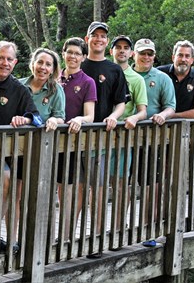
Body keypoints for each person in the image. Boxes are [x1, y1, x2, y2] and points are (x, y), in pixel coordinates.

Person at [0, 41, 40, 255]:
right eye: (1, 58)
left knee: (8, 185)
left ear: (15, 62)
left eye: (10, 59)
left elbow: (36, 117)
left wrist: (24, 119)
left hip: (4, 152)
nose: (5, 63)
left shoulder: (18, 89)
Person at [81, 22, 129, 252]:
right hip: (77, 137)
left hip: (103, 137)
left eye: (102, 36)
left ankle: (98, 237)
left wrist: (114, 117)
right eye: (95, 36)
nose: (99, 39)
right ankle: (68, 236)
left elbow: (121, 102)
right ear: (87, 38)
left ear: (106, 42)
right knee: (79, 189)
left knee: (99, 187)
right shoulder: (78, 64)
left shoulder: (114, 70)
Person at [131, 38, 175, 246]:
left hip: (150, 140)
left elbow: (170, 106)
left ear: (154, 56)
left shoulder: (162, 78)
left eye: (149, 54)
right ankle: (121, 231)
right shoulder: (123, 75)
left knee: (151, 185)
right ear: (134, 55)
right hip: (122, 139)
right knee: (119, 185)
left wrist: (163, 116)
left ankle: (148, 231)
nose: (146, 57)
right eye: (142, 53)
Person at [21, 47, 66, 243]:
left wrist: (55, 121)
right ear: (33, 63)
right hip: (19, 149)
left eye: (48, 64)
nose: (43, 67)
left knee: (45, 195)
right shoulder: (20, 86)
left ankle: (45, 238)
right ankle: (19, 239)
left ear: (53, 69)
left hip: (44, 149)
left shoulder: (56, 89)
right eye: (40, 62)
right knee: (20, 195)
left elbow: (61, 116)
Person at [57, 37, 96, 240]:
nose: (72, 56)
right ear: (63, 53)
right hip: (49, 141)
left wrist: (80, 119)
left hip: (71, 144)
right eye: (69, 52)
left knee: (67, 191)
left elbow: (90, 116)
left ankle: (65, 236)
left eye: (77, 53)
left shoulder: (87, 82)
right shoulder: (53, 77)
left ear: (83, 57)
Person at [110, 35, 148, 230]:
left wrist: (133, 118)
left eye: (126, 48)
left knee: (121, 181)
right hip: (98, 136)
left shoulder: (137, 79)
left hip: (123, 138)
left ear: (131, 53)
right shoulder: (105, 72)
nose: (122, 51)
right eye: (118, 47)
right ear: (112, 51)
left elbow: (143, 111)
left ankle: (118, 225)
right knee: (95, 184)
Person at [157, 40, 194, 119]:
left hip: (186, 127)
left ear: (192, 60)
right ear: (173, 57)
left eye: (187, 56)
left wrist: (169, 115)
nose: (183, 59)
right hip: (156, 125)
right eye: (180, 55)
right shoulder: (159, 73)